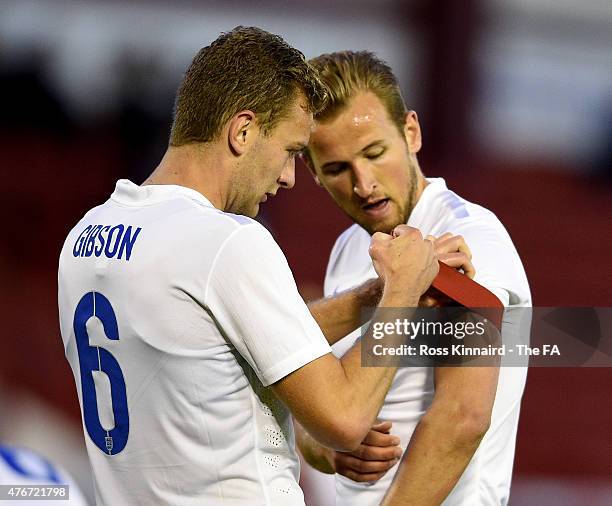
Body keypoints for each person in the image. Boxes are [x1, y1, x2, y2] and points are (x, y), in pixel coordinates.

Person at [57, 28, 442, 505]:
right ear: (242, 131)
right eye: (290, 152)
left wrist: (372, 295)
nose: (288, 177)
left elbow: (230, 340)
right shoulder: (228, 242)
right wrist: (402, 293)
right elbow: (344, 421)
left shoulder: (86, 236)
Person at [299, 50, 531, 505]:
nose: (363, 183)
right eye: (337, 169)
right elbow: (314, 412)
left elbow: (462, 416)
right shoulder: (349, 247)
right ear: (312, 172)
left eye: (374, 153)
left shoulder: (468, 238)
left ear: (411, 132)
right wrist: (328, 446)